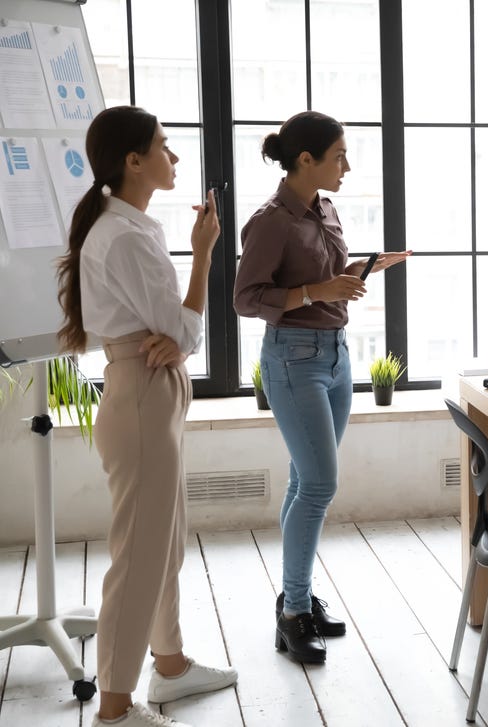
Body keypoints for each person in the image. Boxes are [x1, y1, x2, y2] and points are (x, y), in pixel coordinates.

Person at [56, 106, 236, 727]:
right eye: (163, 145)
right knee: (139, 555)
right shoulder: (126, 236)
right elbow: (181, 332)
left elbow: (174, 334)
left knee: (163, 541)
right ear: (134, 161)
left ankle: (171, 665)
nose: (174, 156)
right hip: (141, 391)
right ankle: (114, 707)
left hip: (150, 388)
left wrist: (175, 340)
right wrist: (204, 254)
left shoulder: (128, 226)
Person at [233, 111, 410, 663]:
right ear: (305, 159)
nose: (347, 167)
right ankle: (293, 614)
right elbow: (245, 299)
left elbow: (323, 280)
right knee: (318, 486)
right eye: (339, 156)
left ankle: (298, 596)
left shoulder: (325, 208)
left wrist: (360, 270)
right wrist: (317, 292)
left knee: (303, 482)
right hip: (293, 360)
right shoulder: (270, 221)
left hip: (336, 355)